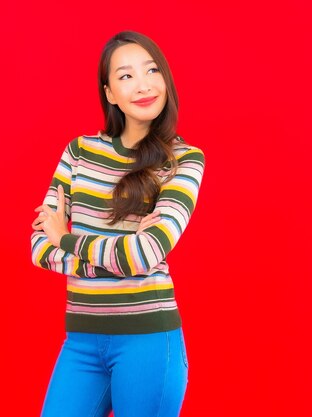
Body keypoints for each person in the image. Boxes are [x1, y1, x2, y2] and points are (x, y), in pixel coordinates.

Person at [30, 30, 205, 417]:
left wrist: (69, 240)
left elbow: (147, 253)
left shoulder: (184, 160)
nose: (143, 85)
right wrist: (109, 256)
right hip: (81, 341)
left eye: (152, 70)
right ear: (109, 92)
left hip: (148, 341)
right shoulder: (80, 152)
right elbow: (40, 247)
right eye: (125, 76)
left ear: (165, 79)